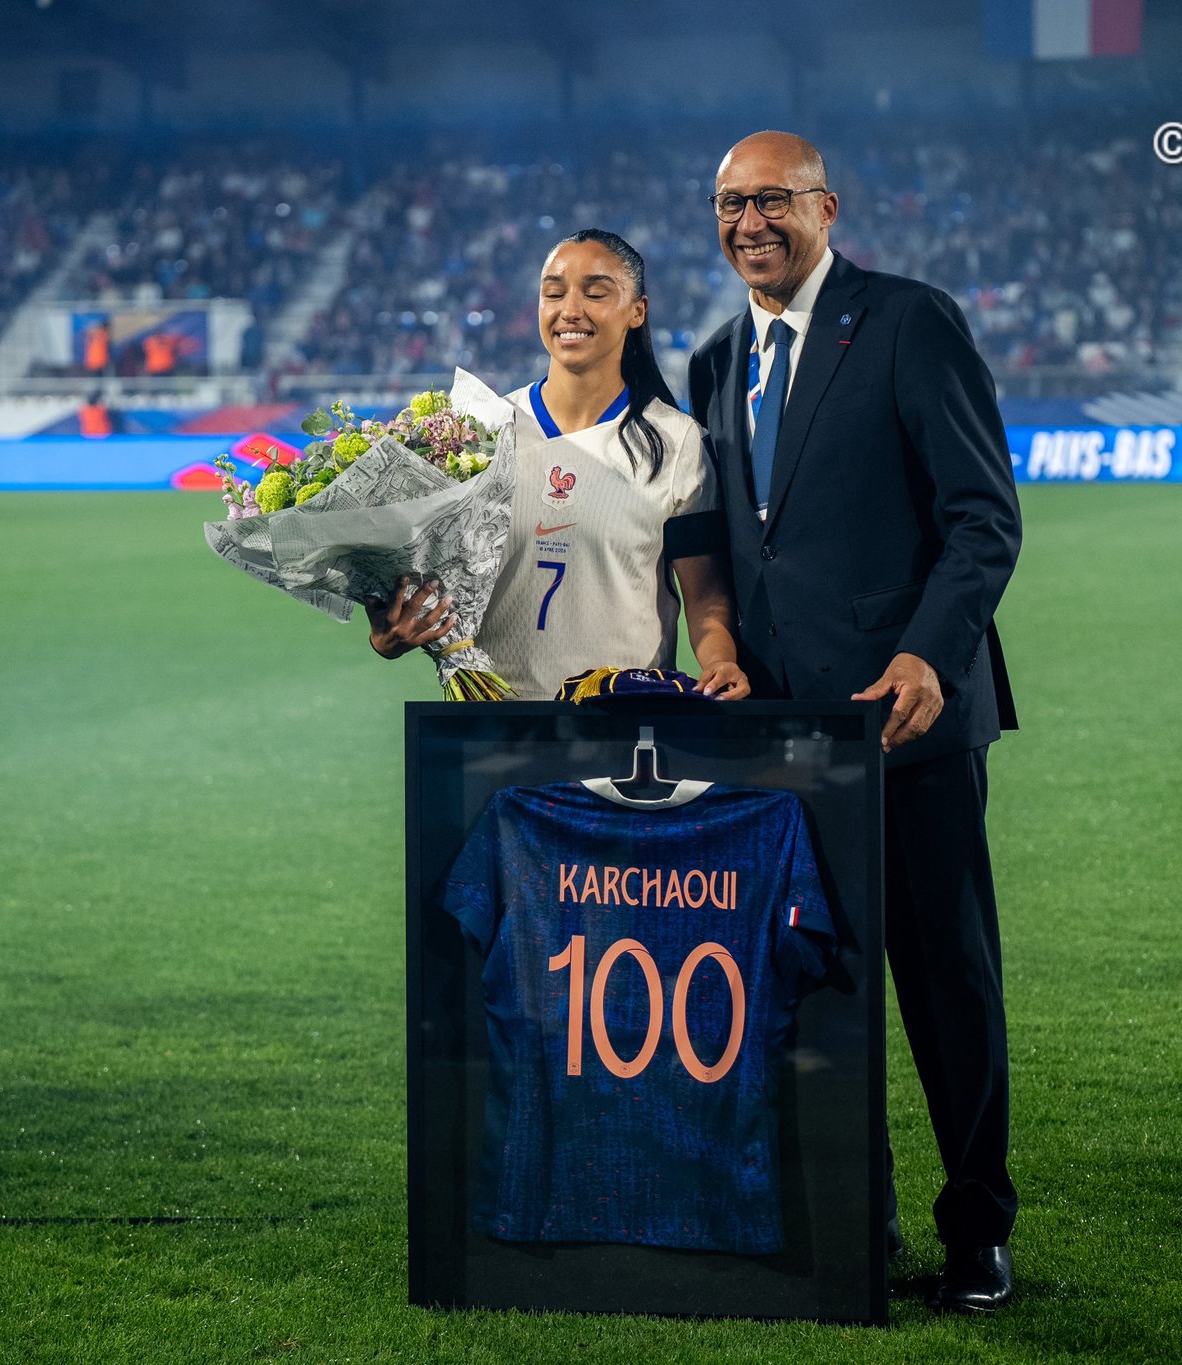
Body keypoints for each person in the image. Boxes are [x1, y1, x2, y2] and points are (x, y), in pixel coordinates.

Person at [686, 132, 1022, 1312]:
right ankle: (858, 1219)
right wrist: (716, 650)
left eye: (771, 200)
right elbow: (726, 547)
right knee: (814, 983)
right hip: (782, 739)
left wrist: (929, 653)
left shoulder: (905, 320)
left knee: (945, 983)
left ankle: (977, 1227)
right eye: (729, 205)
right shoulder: (714, 360)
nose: (749, 223)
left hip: (904, 724)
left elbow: (983, 516)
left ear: (825, 207)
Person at [369, 229, 749, 703]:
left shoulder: (675, 443)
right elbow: (422, 587)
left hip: (622, 720)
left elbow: (705, 596)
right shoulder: (478, 434)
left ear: (638, 311)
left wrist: (719, 660)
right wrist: (387, 631)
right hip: (492, 724)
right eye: (554, 293)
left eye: (595, 293)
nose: (570, 309)